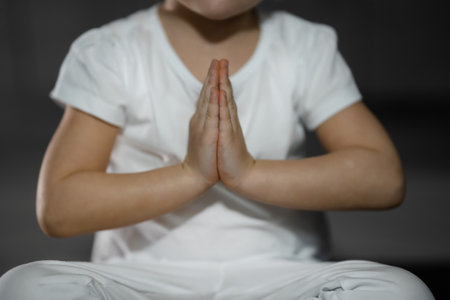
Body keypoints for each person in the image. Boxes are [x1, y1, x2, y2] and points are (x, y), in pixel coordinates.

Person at [0, 0, 435, 299]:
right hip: (141, 280)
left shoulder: (304, 46)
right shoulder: (112, 50)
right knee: (25, 286)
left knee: (401, 290)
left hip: (279, 277)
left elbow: (382, 178)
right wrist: (191, 173)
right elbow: (59, 207)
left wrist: (245, 172)